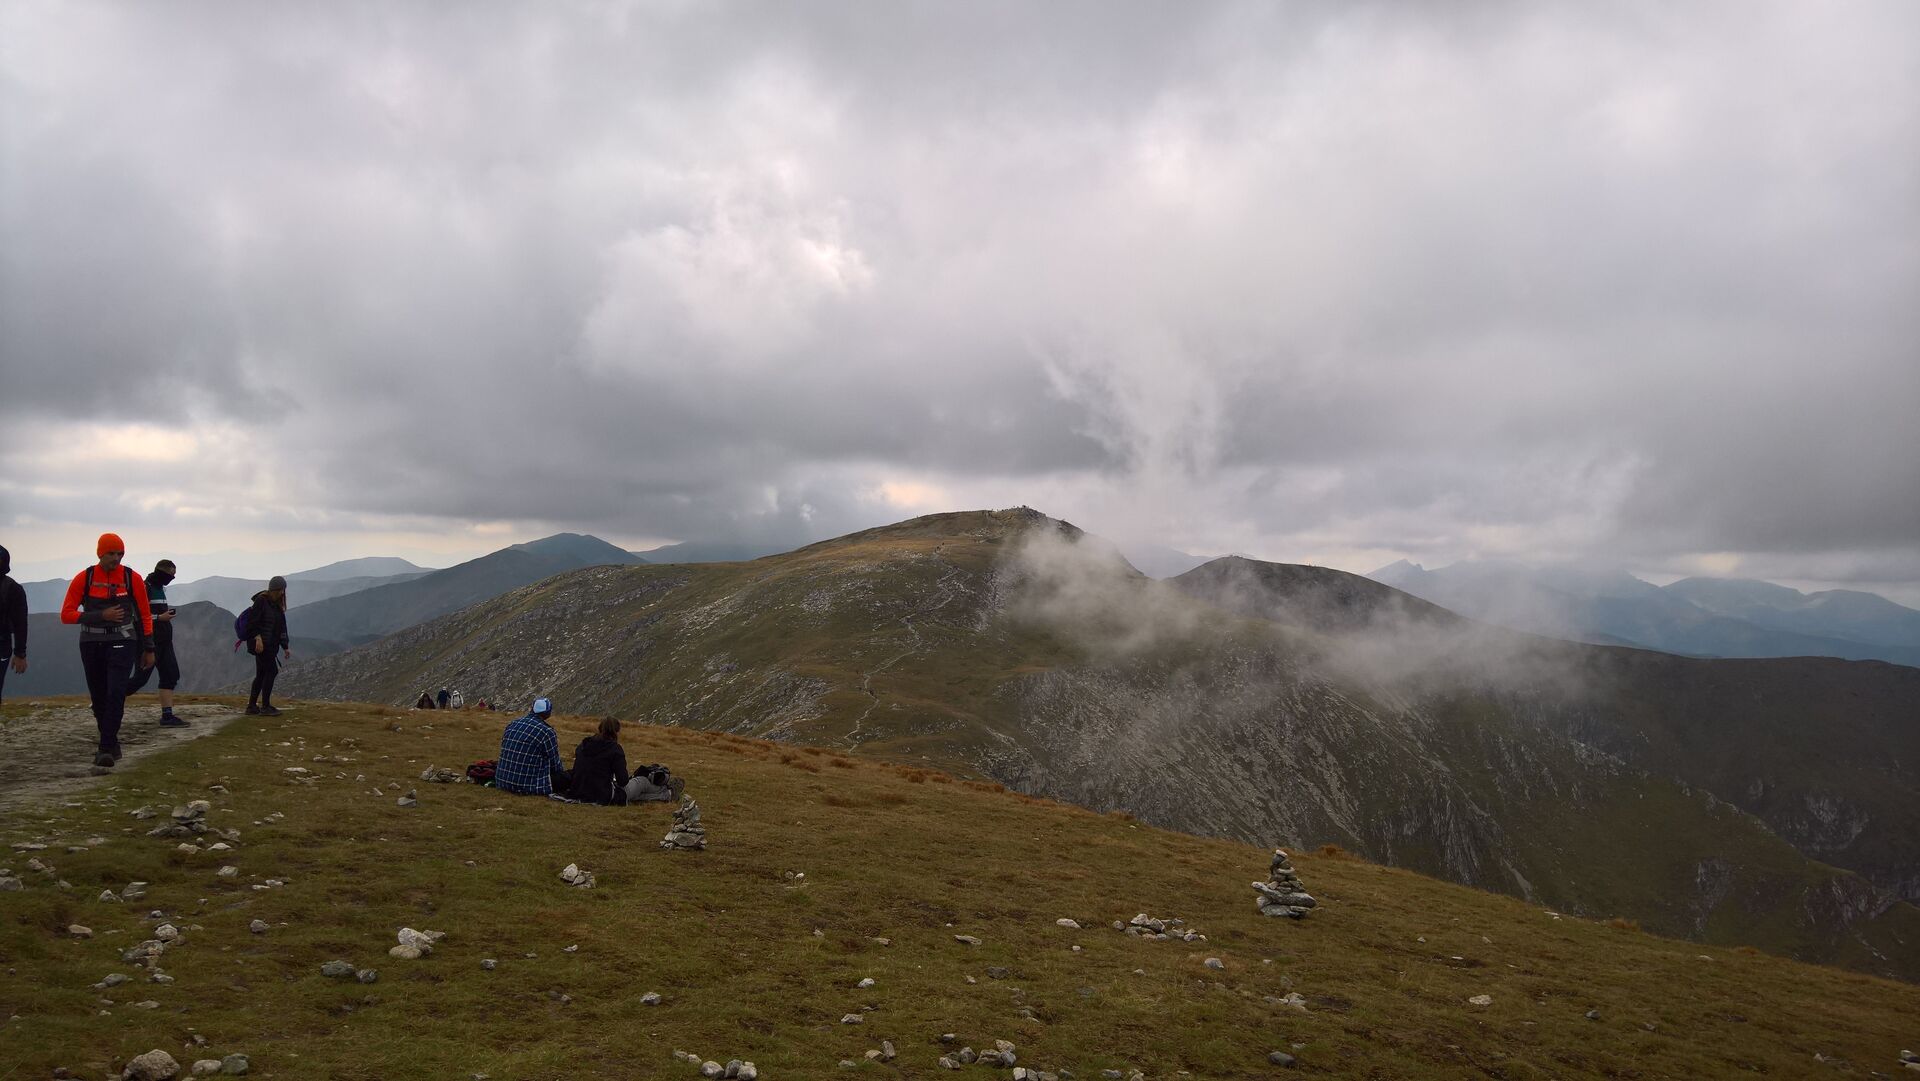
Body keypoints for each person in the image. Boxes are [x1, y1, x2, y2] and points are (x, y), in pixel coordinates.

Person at [58, 533, 155, 768]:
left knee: (116, 692)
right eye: (111, 553)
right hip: (91, 643)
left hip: (123, 641)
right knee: (99, 696)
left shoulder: (132, 578)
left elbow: (144, 614)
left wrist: (148, 647)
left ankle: (105, 747)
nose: (116, 558)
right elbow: (66, 615)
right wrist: (101, 615)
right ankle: (110, 742)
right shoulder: (85, 578)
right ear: (100, 553)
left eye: (120, 553)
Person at [124, 559, 186, 727]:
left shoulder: (159, 588)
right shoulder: (145, 588)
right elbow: (136, 617)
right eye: (170, 575)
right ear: (162, 573)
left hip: (165, 641)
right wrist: (160, 618)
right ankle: (108, 698)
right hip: (148, 642)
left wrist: (163, 616)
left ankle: (167, 716)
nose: (172, 578)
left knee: (170, 675)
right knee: (139, 679)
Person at [495, 696, 568, 797]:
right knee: (568, 777)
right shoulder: (546, 732)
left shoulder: (513, 723)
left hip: (502, 780)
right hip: (528, 786)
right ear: (548, 713)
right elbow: (555, 764)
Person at [243, 576, 291, 716]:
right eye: (281, 590)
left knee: (261, 674)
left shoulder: (276, 605)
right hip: (262, 646)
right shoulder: (261, 601)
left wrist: (285, 646)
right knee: (271, 671)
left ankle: (252, 706)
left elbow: (282, 627)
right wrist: (257, 638)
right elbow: (252, 623)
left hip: (270, 645)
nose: (282, 593)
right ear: (275, 589)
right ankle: (265, 706)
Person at [568, 716, 630, 805]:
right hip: (602, 793)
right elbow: (623, 781)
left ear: (600, 728)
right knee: (642, 783)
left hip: (578, 789)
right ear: (616, 732)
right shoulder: (615, 749)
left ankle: (652, 801)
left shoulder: (583, 745)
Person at [0, 545, 27, 705]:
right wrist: (20, 653)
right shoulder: (13, 588)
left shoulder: (12, 589)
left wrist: (20, 653)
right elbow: (20, 623)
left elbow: (20, 623)